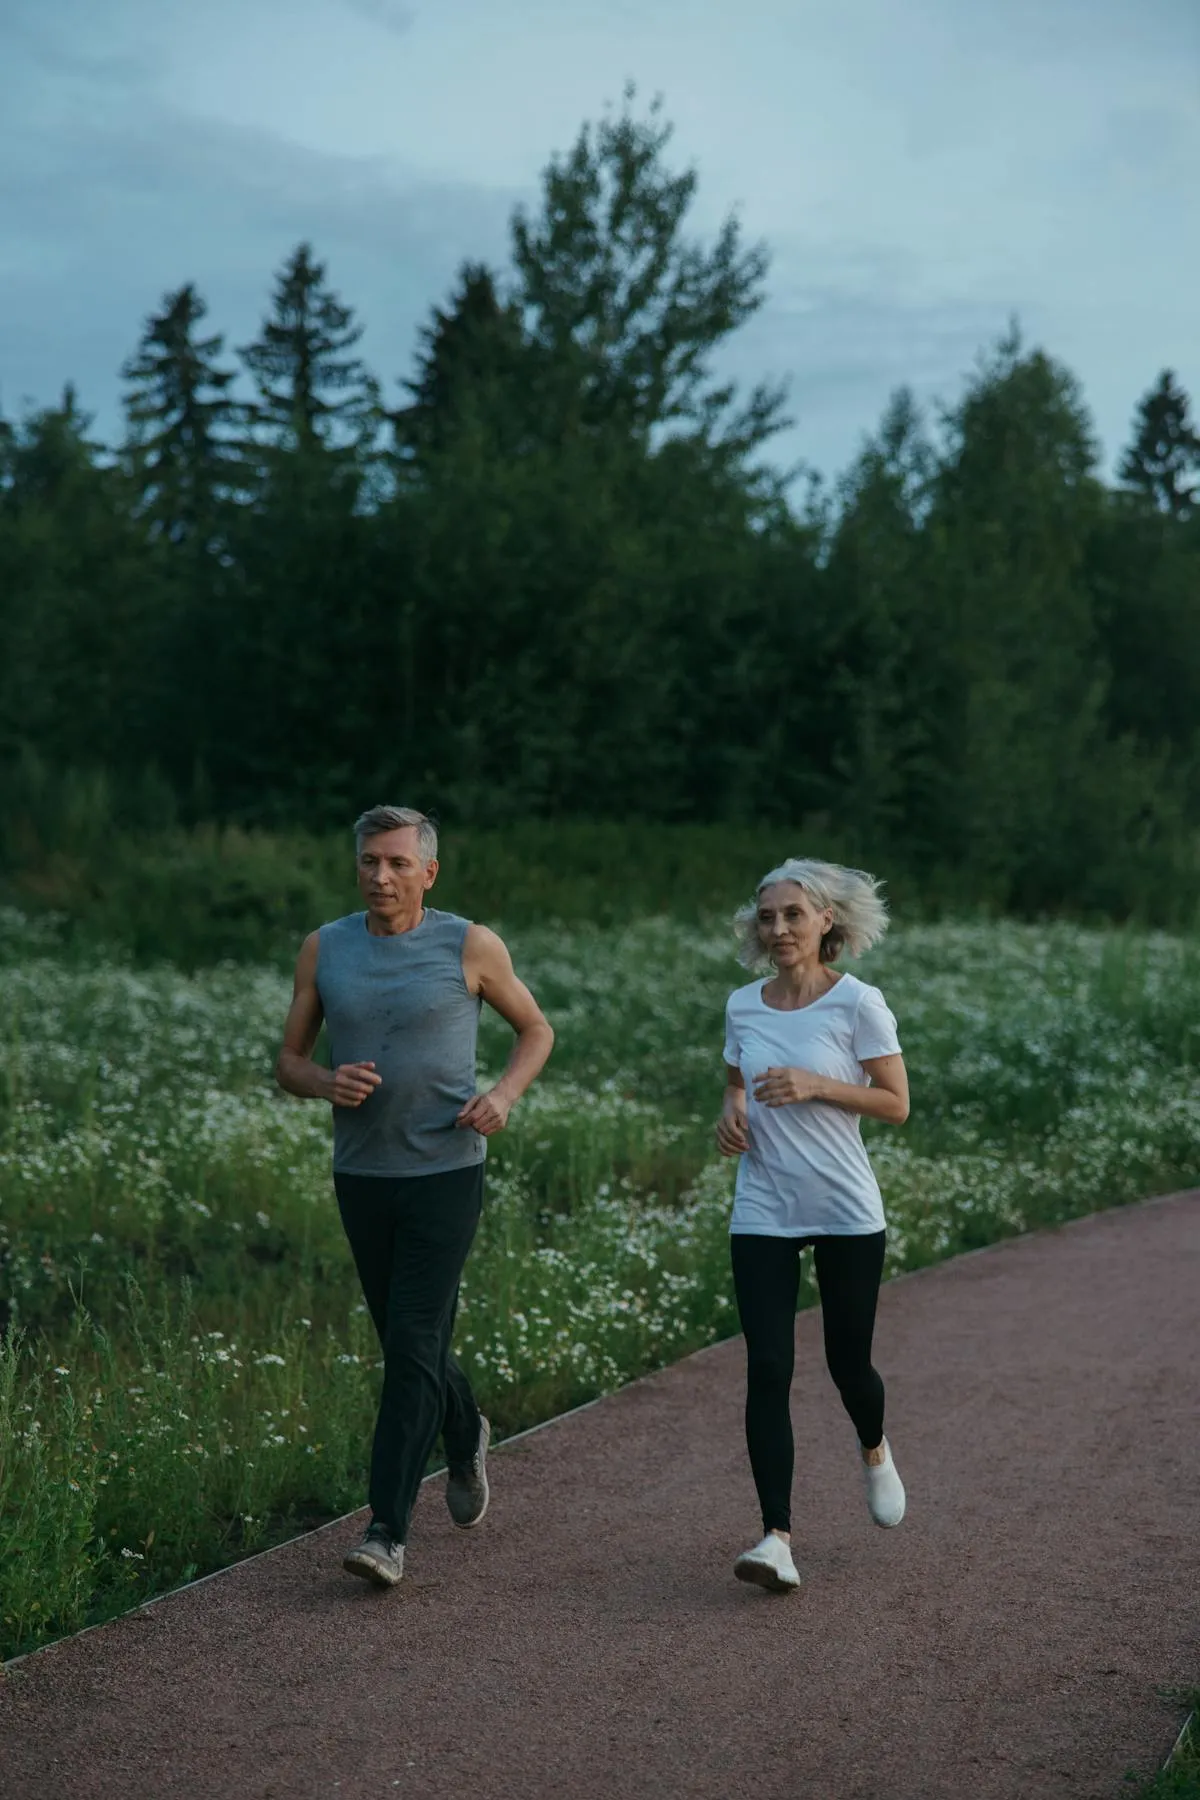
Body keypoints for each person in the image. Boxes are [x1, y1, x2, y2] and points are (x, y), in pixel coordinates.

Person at [275, 805, 554, 1588]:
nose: (381, 875)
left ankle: (387, 1530)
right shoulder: (324, 949)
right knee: (408, 1341)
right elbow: (288, 1062)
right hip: (362, 1173)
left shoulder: (469, 944)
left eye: (398, 863)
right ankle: (464, 1432)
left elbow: (537, 1030)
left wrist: (503, 1096)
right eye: (370, 861)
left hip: (446, 1169)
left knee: (412, 1341)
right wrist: (326, 1080)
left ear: (428, 872)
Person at [716, 857, 909, 1595]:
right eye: (768, 916)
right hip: (762, 1204)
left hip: (844, 1208)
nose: (779, 928)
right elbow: (736, 1081)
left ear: (827, 920)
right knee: (767, 1367)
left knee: (846, 1363)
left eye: (794, 914)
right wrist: (730, 1114)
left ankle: (873, 1446)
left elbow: (895, 1103)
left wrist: (817, 1086)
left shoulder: (858, 1003)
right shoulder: (742, 1005)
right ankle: (776, 1538)